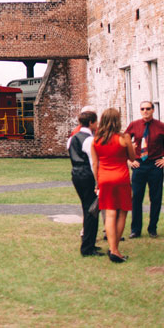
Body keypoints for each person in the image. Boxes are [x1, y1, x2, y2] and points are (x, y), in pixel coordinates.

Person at [124, 101, 164, 239]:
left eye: (148, 108)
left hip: (155, 165)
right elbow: (123, 143)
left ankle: (152, 228)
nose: (145, 111)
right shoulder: (134, 125)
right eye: (142, 109)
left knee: (156, 198)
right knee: (136, 198)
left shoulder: (162, 126)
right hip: (139, 165)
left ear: (153, 110)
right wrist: (130, 160)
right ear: (140, 110)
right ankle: (135, 230)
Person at [91, 108, 136, 263]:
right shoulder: (124, 138)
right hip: (121, 177)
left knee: (109, 214)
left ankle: (113, 249)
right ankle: (115, 249)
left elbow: (95, 164)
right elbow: (132, 157)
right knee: (122, 212)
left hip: (104, 178)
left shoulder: (96, 139)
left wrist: (97, 182)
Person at [67, 110, 103, 256]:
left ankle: (89, 243)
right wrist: (98, 181)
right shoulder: (89, 140)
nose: (97, 124)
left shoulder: (72, 138)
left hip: (76, 174)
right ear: (91, 123)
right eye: (96, 122)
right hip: (87, 174)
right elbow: (93, 162)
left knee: (87, 208)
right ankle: (88, 247)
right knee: (92, 211)